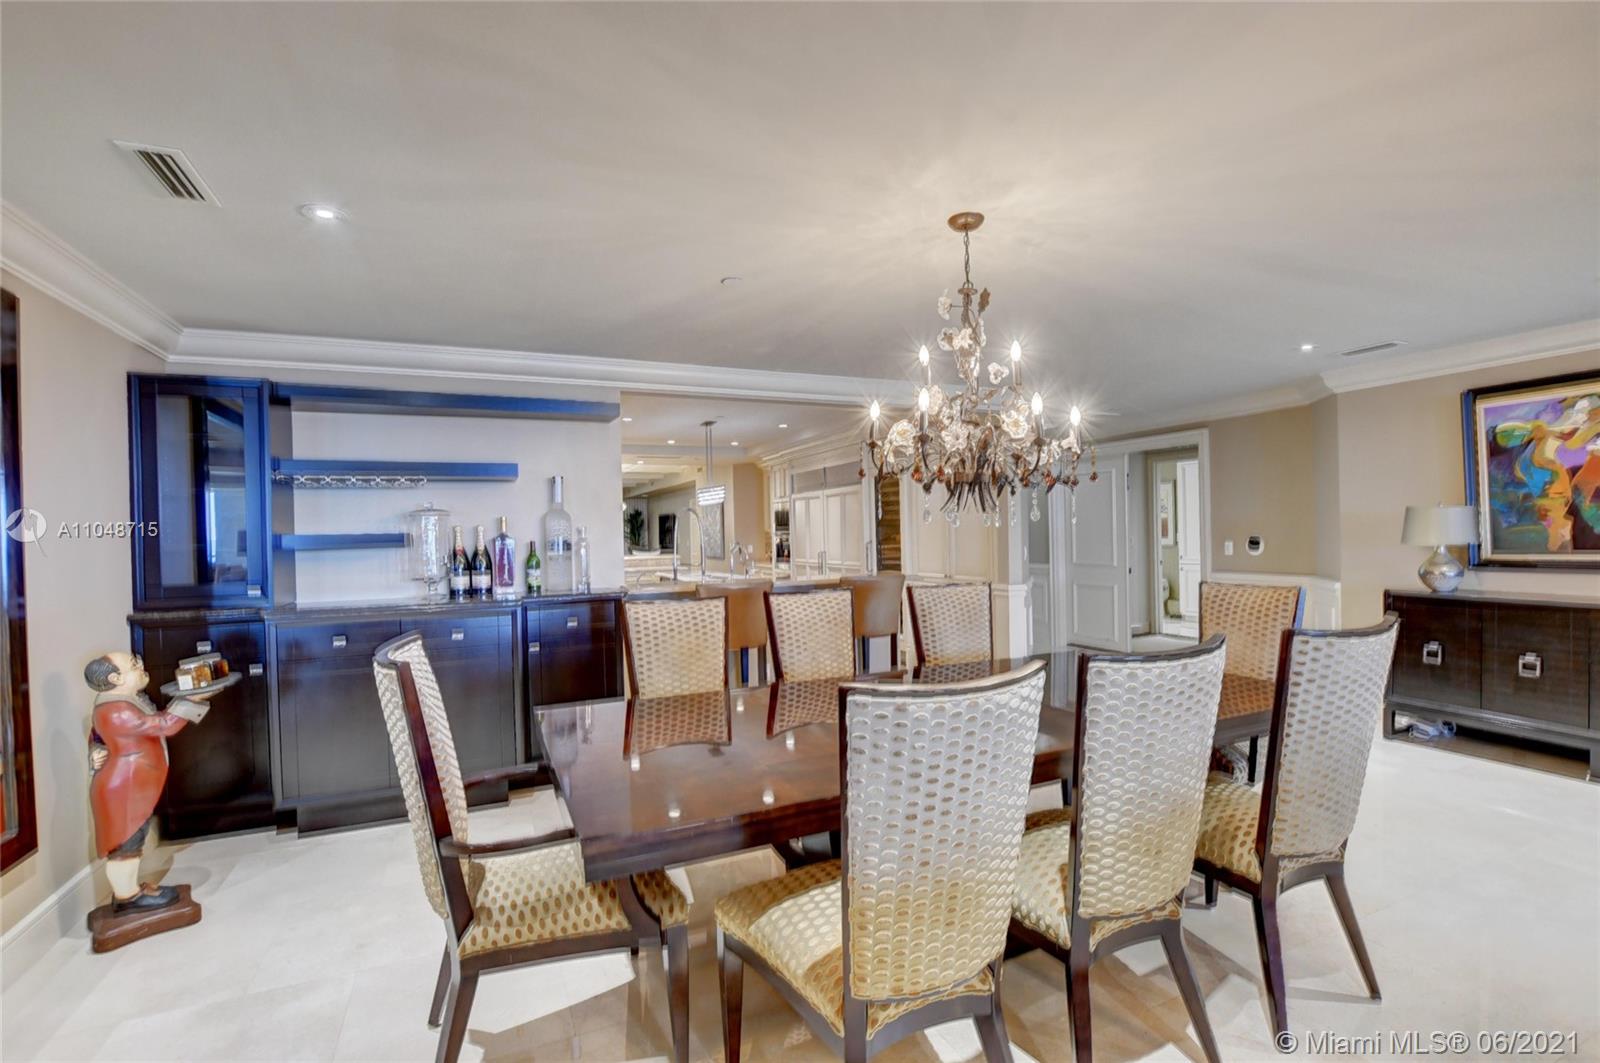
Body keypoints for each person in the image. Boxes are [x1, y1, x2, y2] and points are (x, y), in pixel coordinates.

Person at [83, 651, 212, 913]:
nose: (141, 666)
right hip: (123, 789)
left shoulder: (123, 701)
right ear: (116, 679)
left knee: (133, 841)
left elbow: (99, 736)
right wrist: (191, 700)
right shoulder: (117, 710)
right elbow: (162, 725)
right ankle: (127, 897)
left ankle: (131, 891)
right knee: (125, 846)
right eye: (134, 665)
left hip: (130, 786)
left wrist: (97, 748)